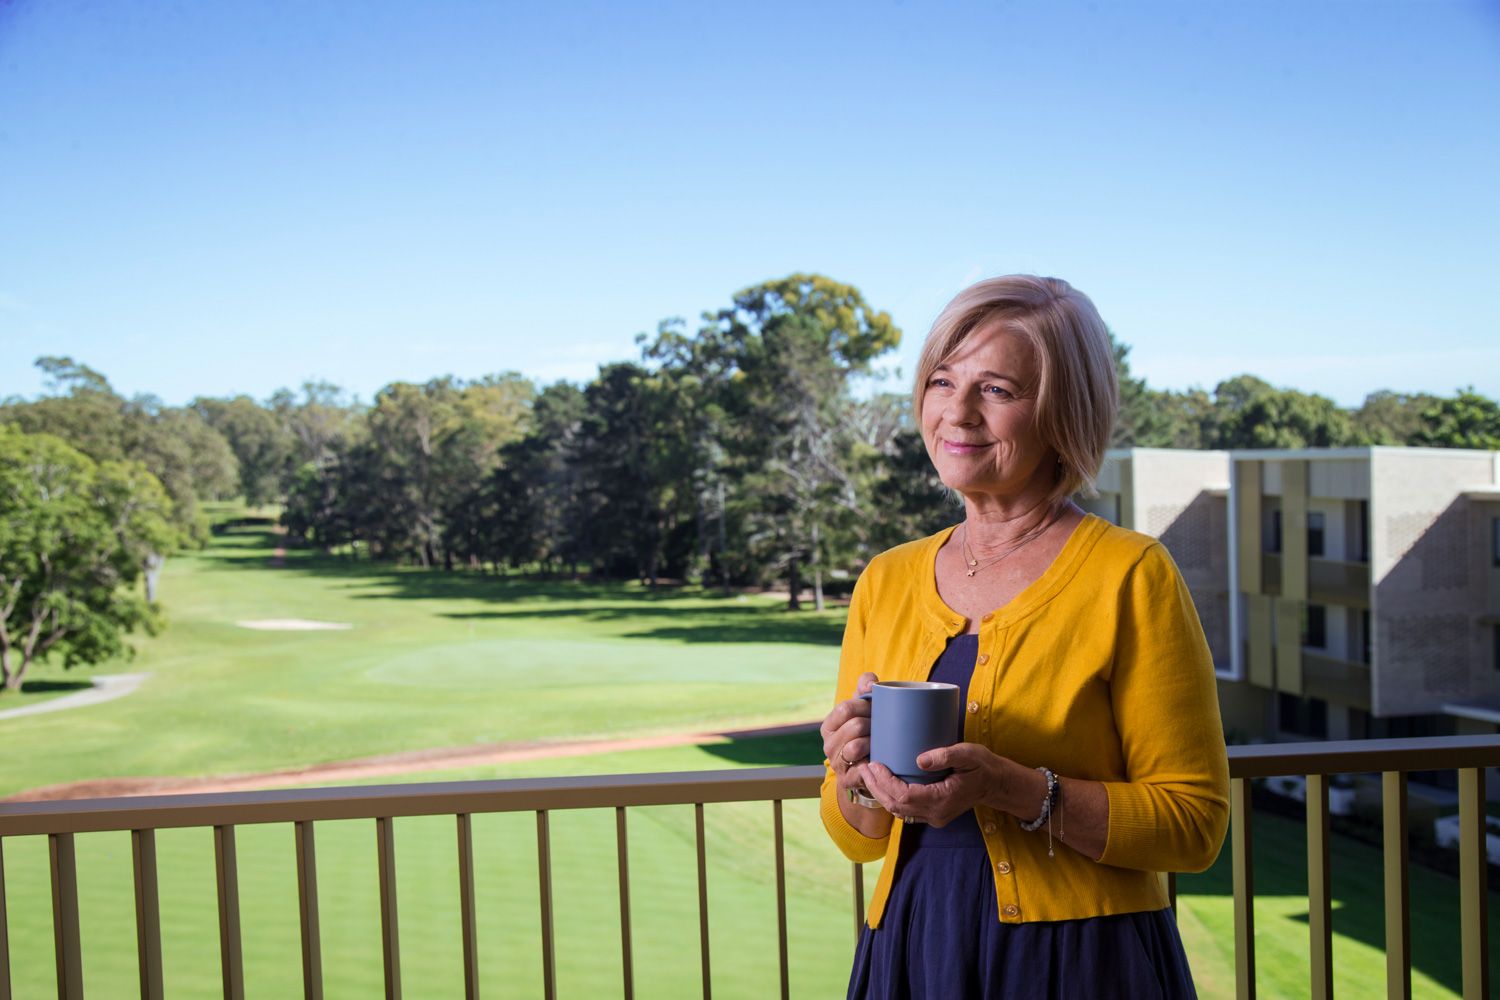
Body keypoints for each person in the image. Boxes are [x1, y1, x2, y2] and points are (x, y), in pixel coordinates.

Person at [819, 275, 1229, 999]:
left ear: (1063, 412)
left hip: (1080, 960)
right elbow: (858, 836)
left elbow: (1194, 825)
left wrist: (1018, 791)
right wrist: (854, 778)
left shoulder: (1130, 574)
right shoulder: (885, 579)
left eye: (998, 390)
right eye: (942, 381)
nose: (958, 411)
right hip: (916, 943)